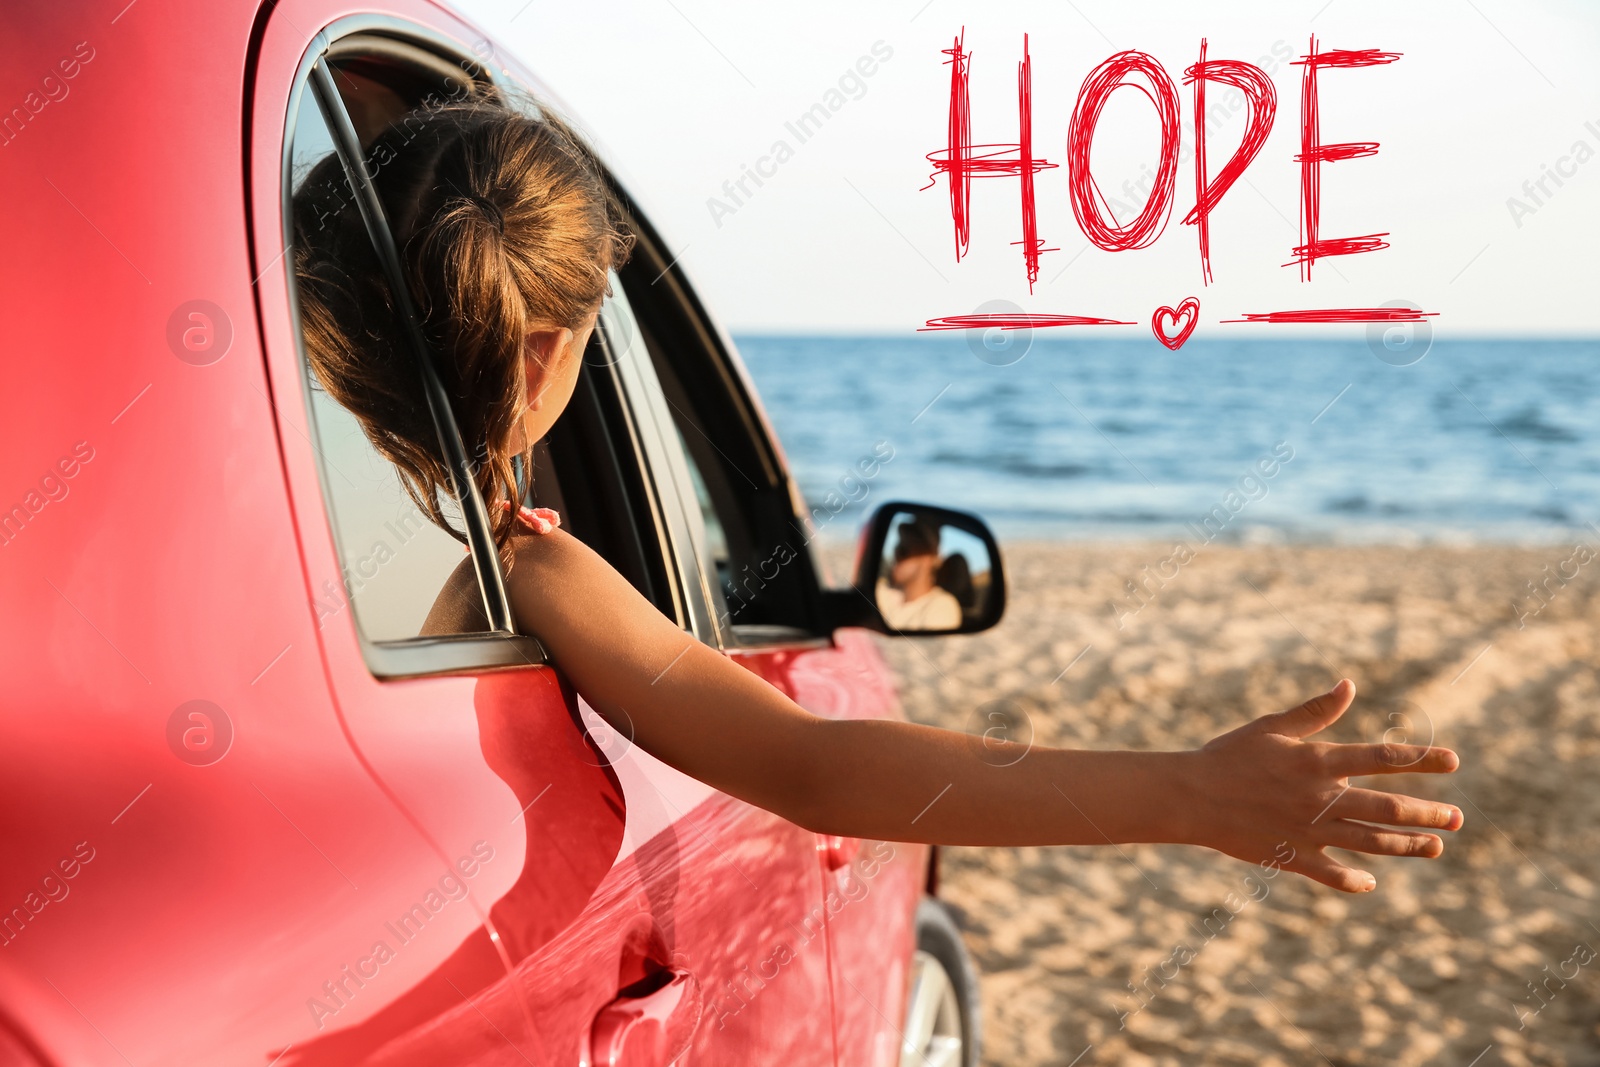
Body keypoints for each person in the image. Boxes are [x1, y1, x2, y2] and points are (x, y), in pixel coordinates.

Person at [293, 92, 1463, 895]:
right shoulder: (535, 570)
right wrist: (1187, 790)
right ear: (548, 354)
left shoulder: (294, 506)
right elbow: (817, 769)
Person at [876, 518, 964, 630]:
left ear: (928, 559)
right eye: (896, 549)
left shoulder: (942, 606)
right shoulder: (885, 594)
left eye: (904, 551)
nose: (896, 555)